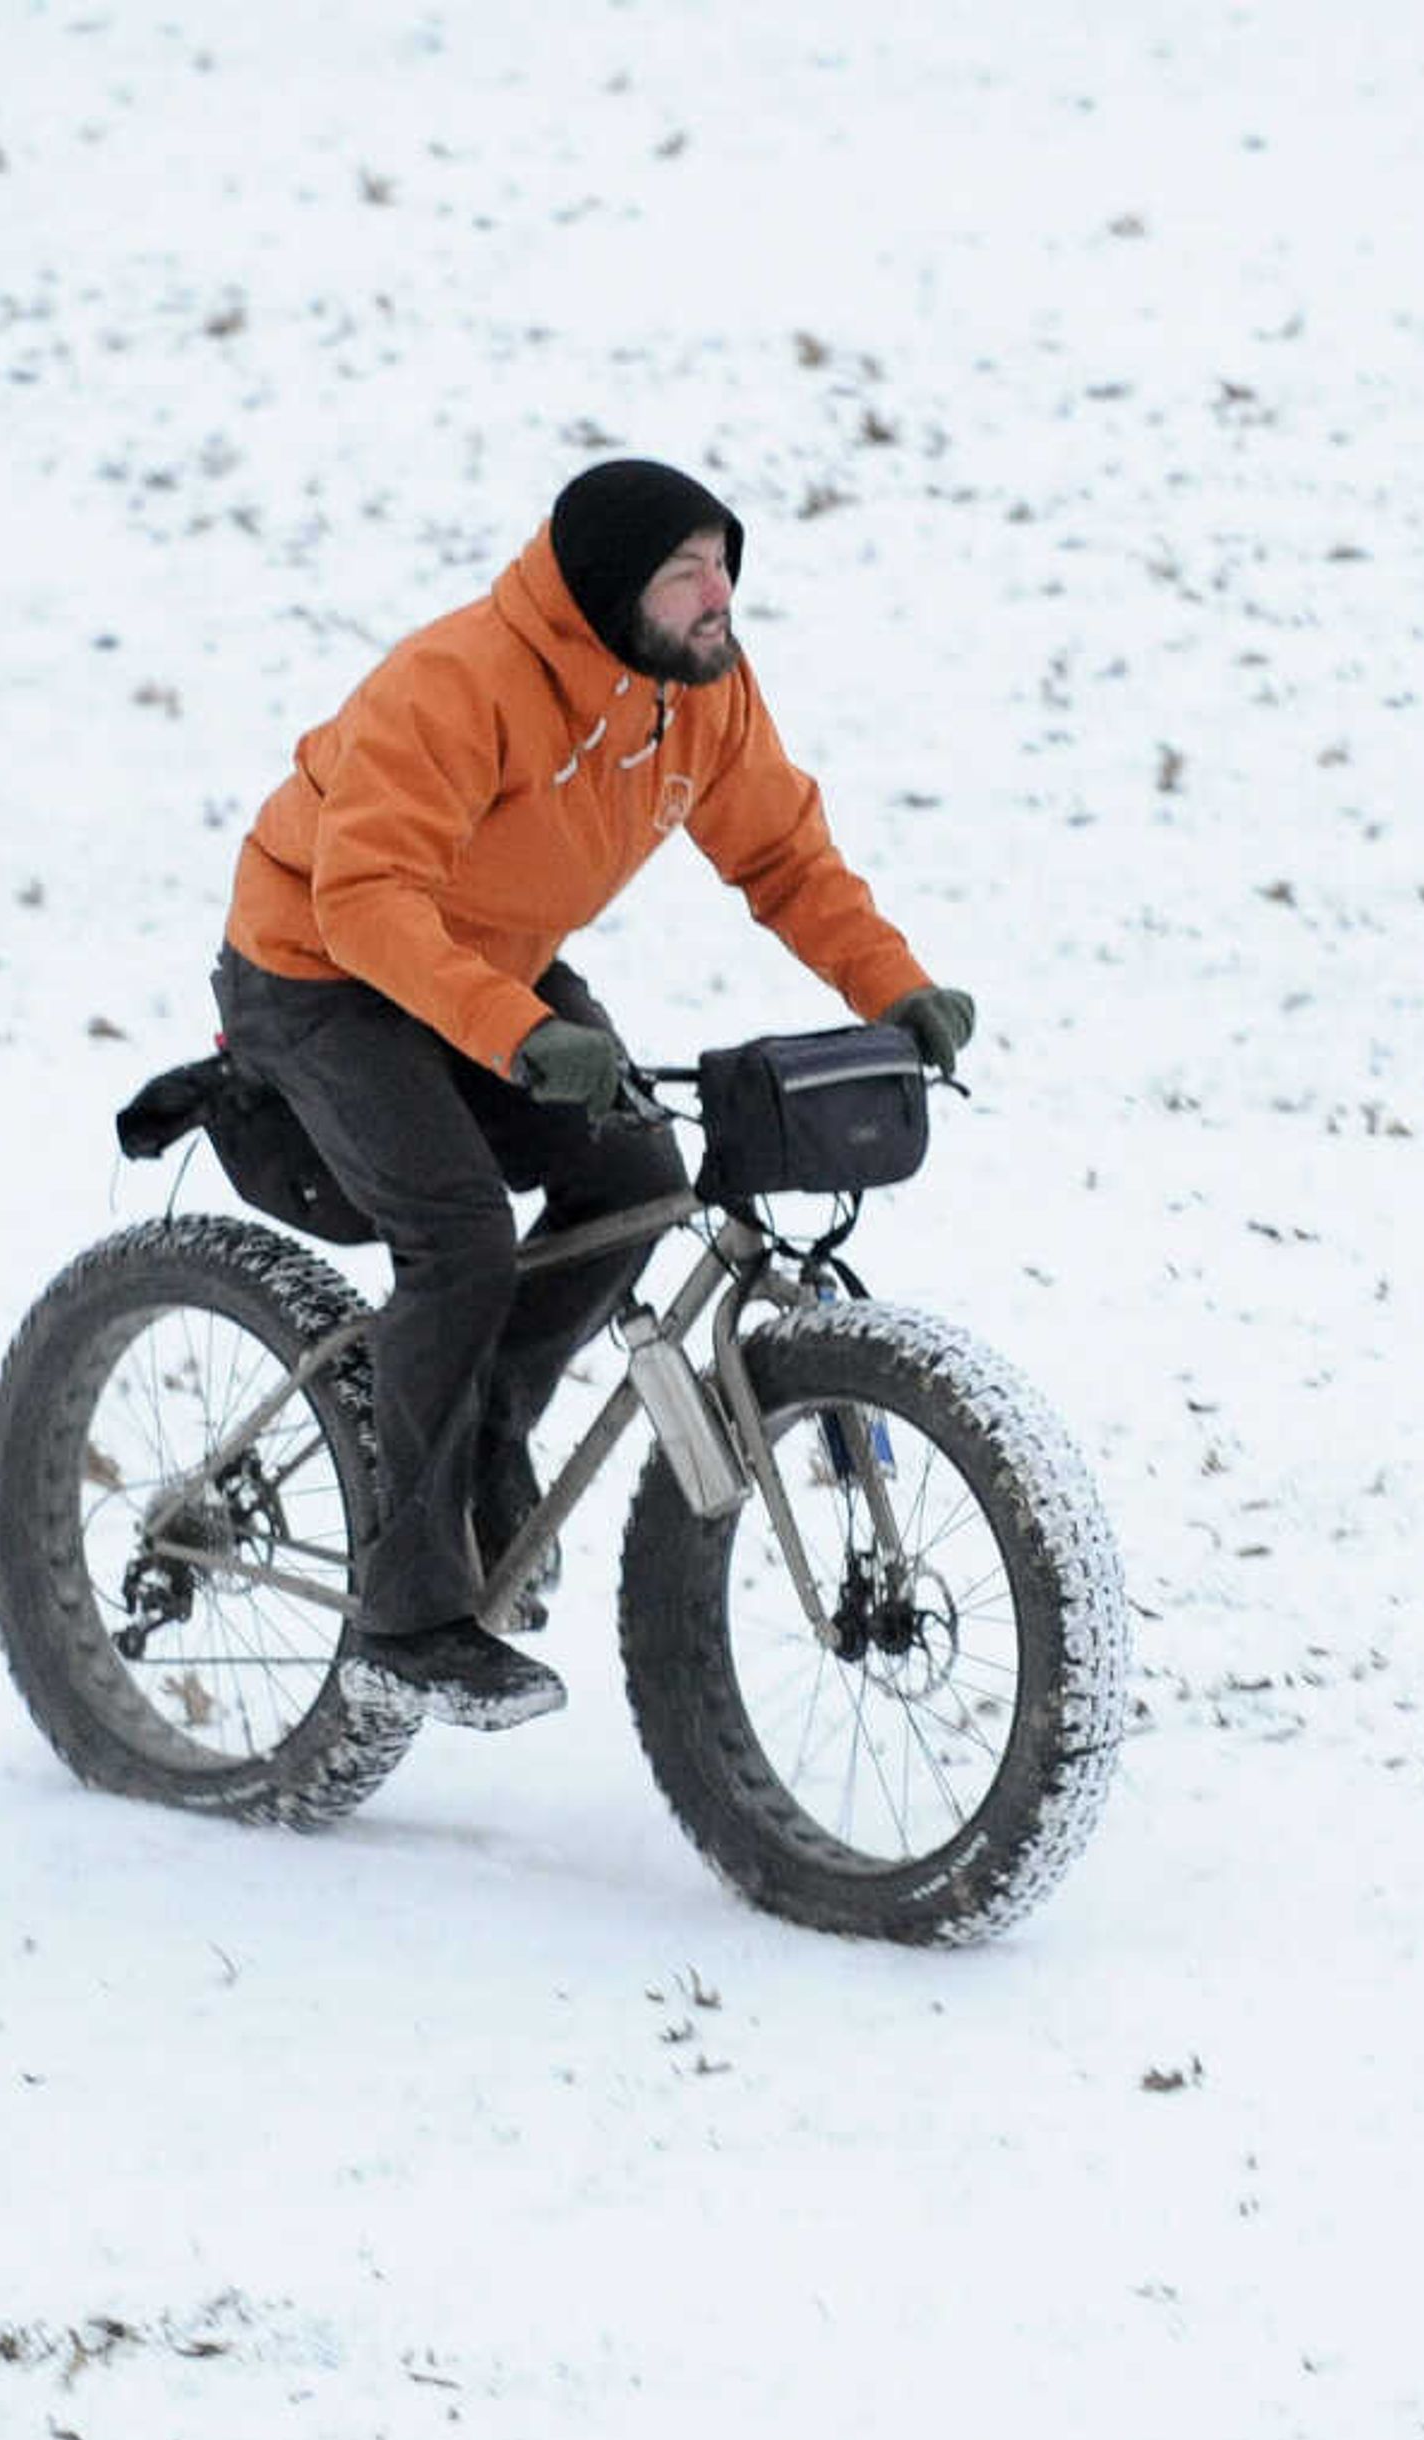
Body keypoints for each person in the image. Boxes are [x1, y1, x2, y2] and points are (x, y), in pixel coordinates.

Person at [213, 457, 976, 1731]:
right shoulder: (459, 684)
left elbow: (783, 855)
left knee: (640, 1178)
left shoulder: (701, 694)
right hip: (321, 969)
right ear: (612, 594)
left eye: (725, 566)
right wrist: (517, 1033)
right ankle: (404, 1617)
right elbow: (365, 902)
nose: (718, 597)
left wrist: (890, 989)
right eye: (687, 577)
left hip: (484, 964)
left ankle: (484, 1442)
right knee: (457, 1238)